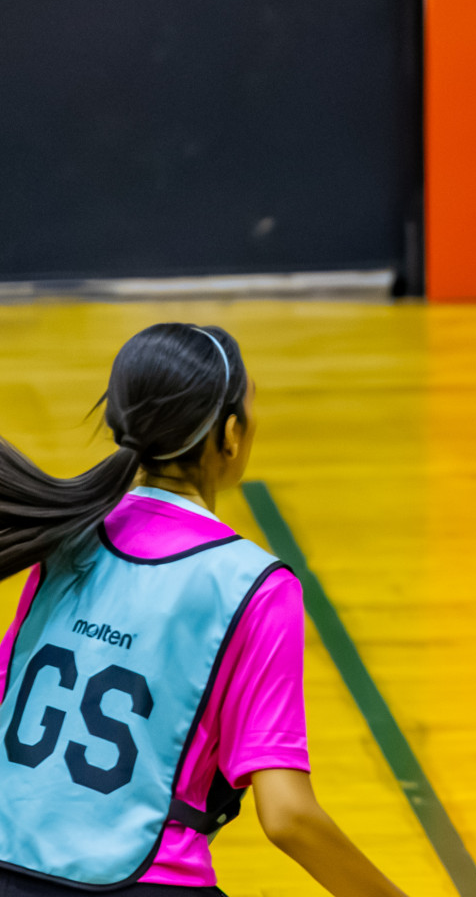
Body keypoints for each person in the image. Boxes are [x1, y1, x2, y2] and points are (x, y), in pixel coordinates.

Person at [0, 324, 407, 897]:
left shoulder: (68, 538)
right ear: (232, 433)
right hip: (145, 881)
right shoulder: (253, 585)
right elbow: (288, 816)